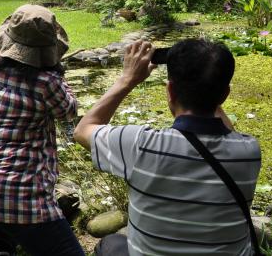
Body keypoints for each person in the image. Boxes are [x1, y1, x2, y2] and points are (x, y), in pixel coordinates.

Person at [74, 38, 261, 255]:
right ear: (225, 95)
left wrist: (127, 79)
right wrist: (209, 89)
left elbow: (83, 130)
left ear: (170, 91)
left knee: (110, 244)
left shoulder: (140, 145)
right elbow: (229, 133)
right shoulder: (249, 151)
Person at [0, 4, 83, 256]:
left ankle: (2, 249)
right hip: (22, 196)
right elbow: (69, 111)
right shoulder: (46, 84)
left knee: (11, 223)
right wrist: (56, 73)